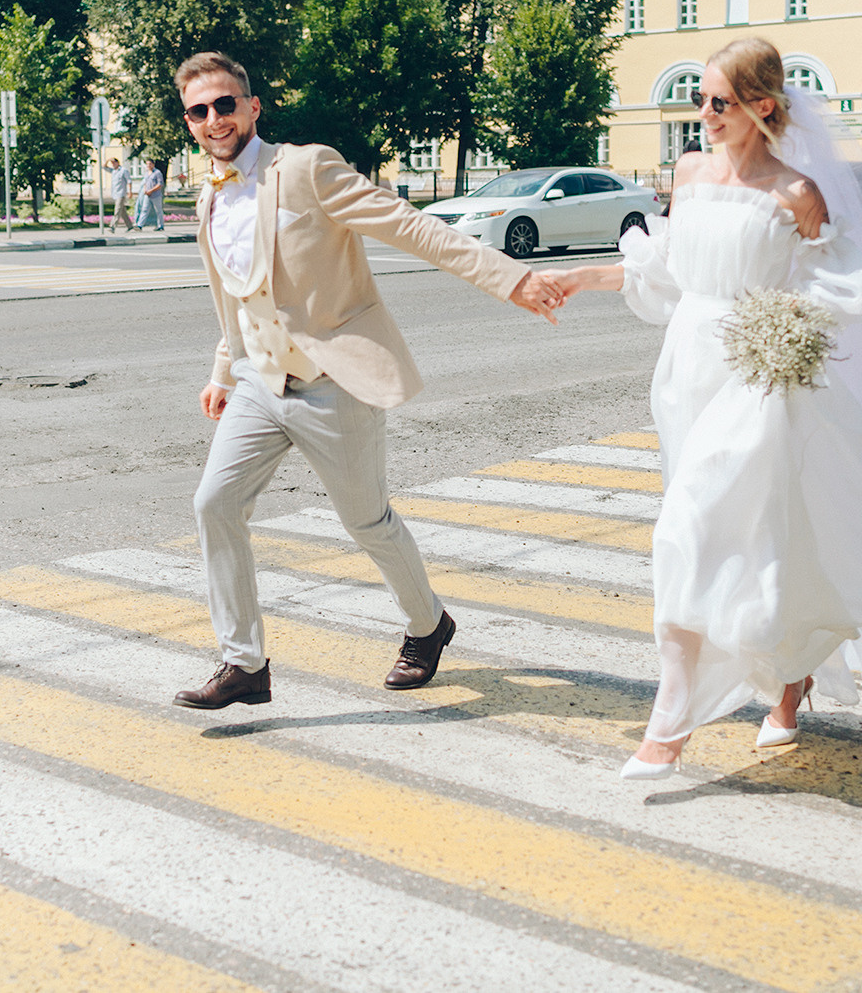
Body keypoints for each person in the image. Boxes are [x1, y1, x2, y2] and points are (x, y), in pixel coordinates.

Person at [549, 37, 862, 779]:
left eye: (717, 102)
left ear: (761, 106)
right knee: (765, 535)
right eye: (699, 101)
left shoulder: (797, 193)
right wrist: (581, 278)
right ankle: (790, 681)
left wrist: (790, 342)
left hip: (760, 379)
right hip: (687, 374)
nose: (702, 115)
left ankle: (669, 724)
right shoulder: (687, 174)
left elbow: (836, 293)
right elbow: (668, 270)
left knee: (691, 530)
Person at [172, 50, 569, 710]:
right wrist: (222, 371)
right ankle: (244, 662)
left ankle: (428, 623)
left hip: (332, 378)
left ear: (251, 107)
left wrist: (513, 279)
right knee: (213, 503)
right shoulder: (208, 199)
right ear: (188, 121)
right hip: (258, 382)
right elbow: (242, 297)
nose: (214, 118)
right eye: (198, 110)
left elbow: (411, 227)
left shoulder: (304, 168)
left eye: (224, 104)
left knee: (366, 519)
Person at [136, 161, 166, 232]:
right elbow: (145, 183)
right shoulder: (147, 173)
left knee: (158, 210)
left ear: (153, 164)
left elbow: (159, 184)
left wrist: (151, 191)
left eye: (150, 164)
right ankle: (140, 225)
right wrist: (145, 190)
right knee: (144, 209)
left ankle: (160, 226)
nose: (148, 165)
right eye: (147, 164)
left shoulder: (157, 173)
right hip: (147, 195)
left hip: (156, 195)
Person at [106, 158, 131, 233]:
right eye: (112, 163)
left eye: (114, 163)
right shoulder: (113, 171)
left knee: (117, 210)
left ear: (118, 163)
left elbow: (129, 181)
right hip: (115, 194)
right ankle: (130, 226)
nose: (113, 164)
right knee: (122, 211)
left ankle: (112, 227)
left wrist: (130, 192)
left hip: (121, 194)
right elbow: (103, 167)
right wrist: (108, 160)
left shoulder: (123, 170)